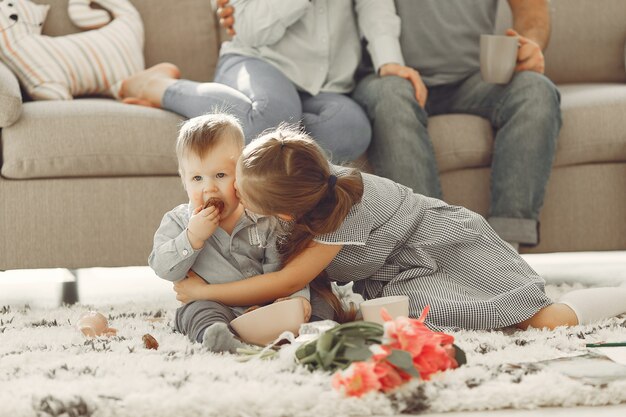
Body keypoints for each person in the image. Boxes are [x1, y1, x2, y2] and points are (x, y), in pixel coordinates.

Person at [174, 126, 626, 332]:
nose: (233, 193)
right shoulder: (299, 175)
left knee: (534, 319)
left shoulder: (340, 212)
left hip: (448, 248)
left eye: (242, 191)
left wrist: (201, 294)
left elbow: (287, 279)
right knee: (402, 316)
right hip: (401, 267)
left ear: (287, 215)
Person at [349, 0, 562, 251]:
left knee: (536, 91)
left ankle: (505, 250)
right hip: (390, 77)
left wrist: (531, 44)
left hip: (474, 78)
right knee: (390, 101)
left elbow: (532, 10)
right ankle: (433, 248)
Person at [120, 0, 415, 163]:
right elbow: (248, 30)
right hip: (257, 62)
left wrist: (389, 60)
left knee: (350, 130)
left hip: (326, 83)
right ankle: (162, 87)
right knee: (271, 121)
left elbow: (375, 6)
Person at [148, 113, 313, 353]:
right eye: (196, 178)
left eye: (221, 175)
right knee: (195, 311)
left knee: (312, 299)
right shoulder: (178, 222)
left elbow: (285, 269)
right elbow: (162, 267)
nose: (209, 188)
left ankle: (314, 330)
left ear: (242, 171)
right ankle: (218, 338)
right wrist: (192, 238)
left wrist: (296, 298)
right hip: (216, 306)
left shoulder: (263, 217)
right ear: (183, 179)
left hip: (266, 306)